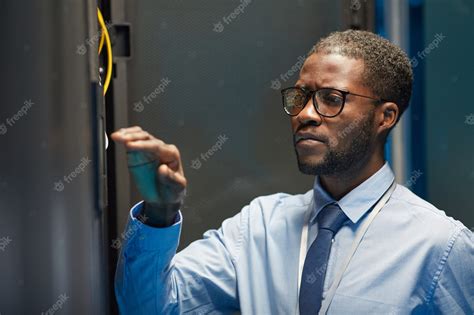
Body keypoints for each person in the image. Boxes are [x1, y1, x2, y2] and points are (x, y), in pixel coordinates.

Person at [112, 30, 474, 314]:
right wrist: (159, 214)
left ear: (386, 116)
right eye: (299, 97)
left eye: (331, 99)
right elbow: (147, 307)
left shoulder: (439, 247)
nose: (305, 114)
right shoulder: (258, 228)